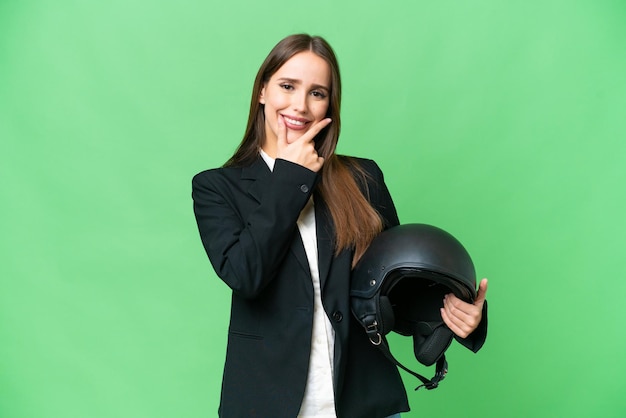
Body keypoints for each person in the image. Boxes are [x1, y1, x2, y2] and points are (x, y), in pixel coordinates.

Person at [192, 34, 488, 418]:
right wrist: (290, 179)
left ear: (330, 104)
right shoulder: (217, 187)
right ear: (263, 90)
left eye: (317, 93)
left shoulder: (362, 178)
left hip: (364, 403)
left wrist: (457, 316)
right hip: (268, 404)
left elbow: (392, 292)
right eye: (287, 86)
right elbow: (246, 274)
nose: (300, 105)